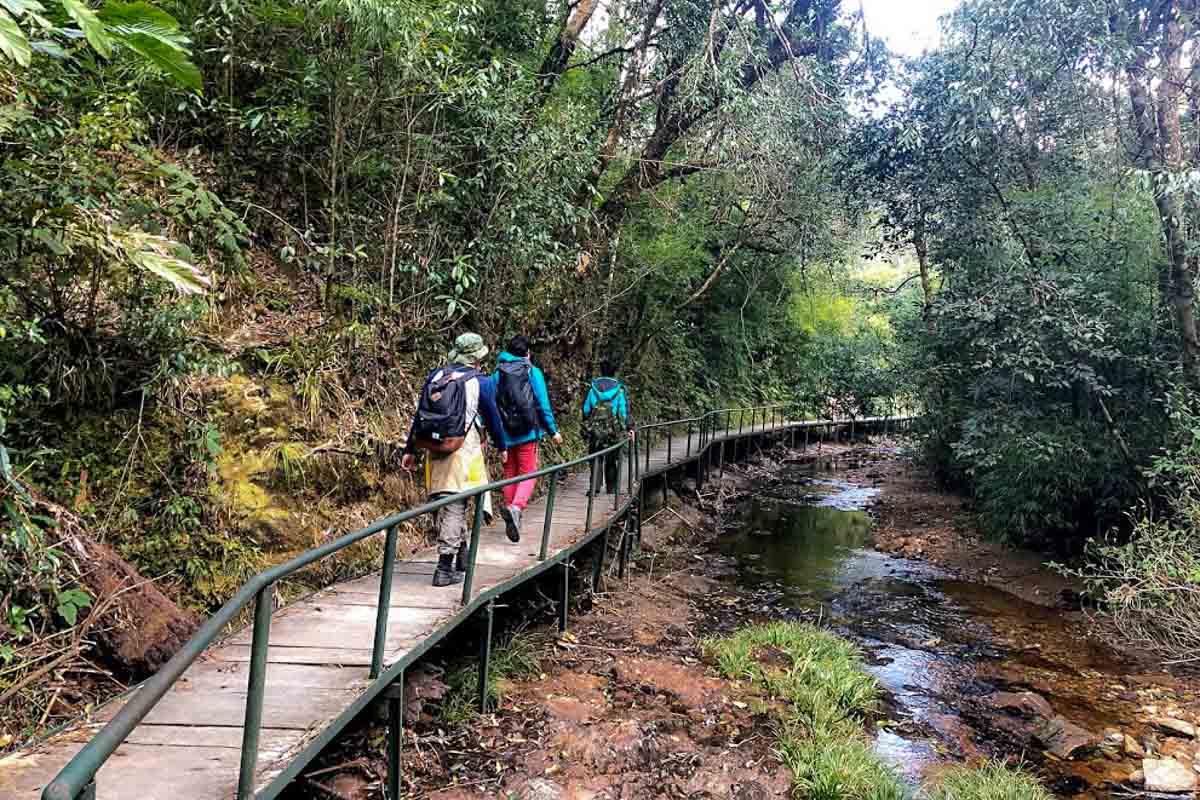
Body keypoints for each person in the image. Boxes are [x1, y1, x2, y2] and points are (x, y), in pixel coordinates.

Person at [402, 333, 508, 587]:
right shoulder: (480, 382)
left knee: (446, 503)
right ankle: (444, 568)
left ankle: (462, 556)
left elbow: (420, 416)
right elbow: (492, 416)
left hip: (434, 448)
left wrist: (410, 449)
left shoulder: (437, 376)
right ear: (475, 359)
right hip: (462, 451)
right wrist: (502, 446)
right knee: (455, 505)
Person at [492, 335, 562, 542]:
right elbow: (542, 403)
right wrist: (553, 431)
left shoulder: (497, 372)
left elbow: (491, 403)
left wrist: (495, 434)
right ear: (528, 353)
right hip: (528, 433)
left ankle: (513, 513)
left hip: (505, 433)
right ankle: (516, 508)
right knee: (529, 472)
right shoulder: (532, 371)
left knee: (510, 472)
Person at [581, 359, 633, 495]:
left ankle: (594, 488)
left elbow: (586, 409)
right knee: (611, 458)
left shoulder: (593, 388)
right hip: (613, 430)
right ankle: (612, 488)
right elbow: (623, 411)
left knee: (596, 456)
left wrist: (588, 422)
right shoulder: (619, 390)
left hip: (596, 429)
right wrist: (628, 428)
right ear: (614, 372)